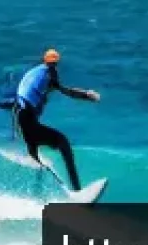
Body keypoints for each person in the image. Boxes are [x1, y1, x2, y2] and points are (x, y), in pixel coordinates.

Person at [14, 49, 99, 191]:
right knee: (63, 142)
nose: (54, 68)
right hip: (27, 120)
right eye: (53, 65)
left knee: (37, 161)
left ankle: (37, 195)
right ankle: (77, 191)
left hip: (21, 120)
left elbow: (21, 98)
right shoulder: (49, 74)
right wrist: (87, 95)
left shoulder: (33, 73)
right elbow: (67, 91)